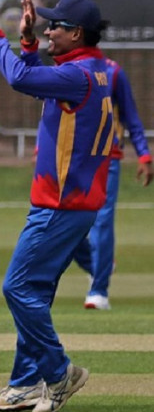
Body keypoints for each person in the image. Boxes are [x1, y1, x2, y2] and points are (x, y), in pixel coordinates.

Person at [0, 0, 113, 412]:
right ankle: (25, 382)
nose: (48, 30)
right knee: (35, 291)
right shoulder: (91, 70)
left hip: (60, 205)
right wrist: (29, 43)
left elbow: (19, 78)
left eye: (55, 26)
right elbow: (36, 78)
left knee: (17, 288)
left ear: (77, 33)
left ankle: (57, 371)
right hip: (71, 204)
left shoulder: (77, 75)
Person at [72, 60, 152, 310]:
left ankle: (98, 291)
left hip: (108, 157)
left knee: (102, 220)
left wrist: (144, 155)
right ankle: (99, 265)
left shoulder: (113, 72)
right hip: (72, 159)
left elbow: (131, 116)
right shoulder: (66, 69)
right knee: (66, 224)